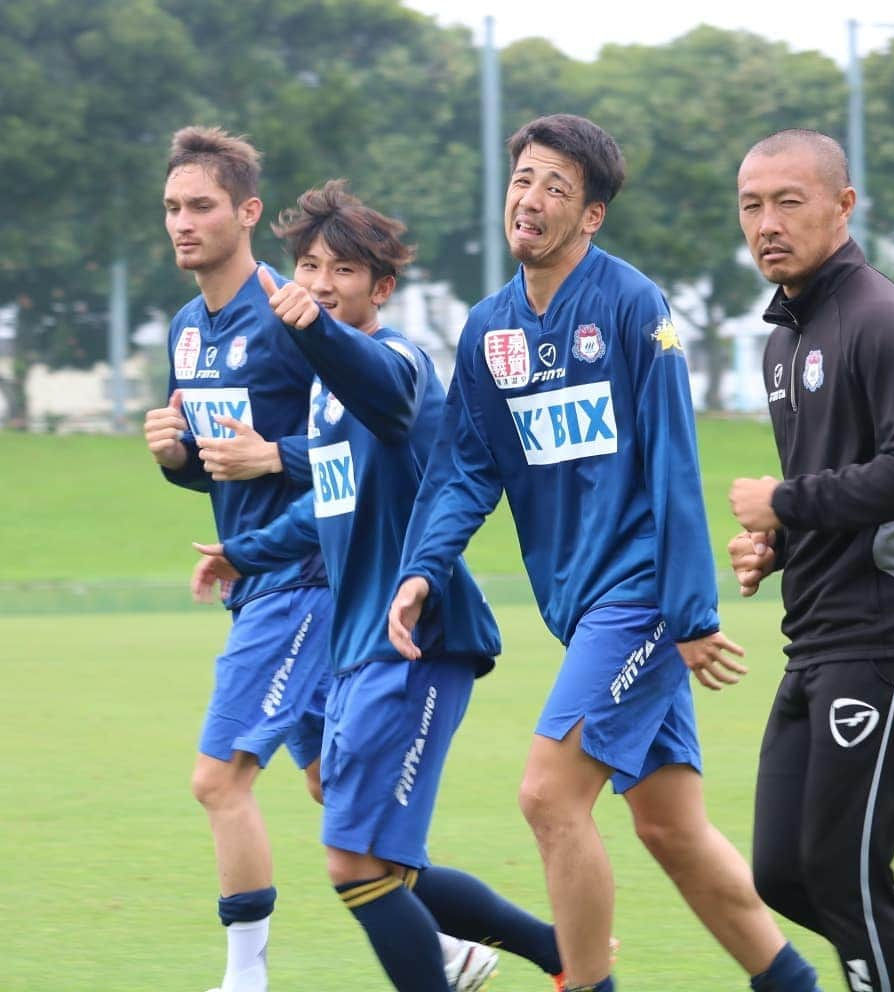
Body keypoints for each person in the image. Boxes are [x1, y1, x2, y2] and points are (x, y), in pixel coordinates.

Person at [388, 113, 821, 992]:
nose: (532, 199)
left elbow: (672, 460)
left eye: (556, 187)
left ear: (591, 216)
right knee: (670, 830)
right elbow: (465, 468)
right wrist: (422, 569)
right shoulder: (488, 332)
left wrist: (690, 613)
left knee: (549, 797)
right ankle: (795, 985)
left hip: (642, 599)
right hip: (582, 607)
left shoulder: (633, 306)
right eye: (523, 181)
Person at [190, 179, 574, 992]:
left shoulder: (396, 362)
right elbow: (328, 516)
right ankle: (566, 955)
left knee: (352, 859)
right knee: (380, 859)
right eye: (307, 266)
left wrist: (314, 330)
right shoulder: (329, 396)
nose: (320, 284)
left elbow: (391, 398)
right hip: (364, 648)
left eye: (341, 271)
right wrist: (243, 551)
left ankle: (564, 958)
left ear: (382, 289)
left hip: (420, 641)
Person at [145, 131, 492, 992]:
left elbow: (354, 444)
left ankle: (245, 977)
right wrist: (181, 462)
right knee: (341, 809)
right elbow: (237, 466)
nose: (183, 224)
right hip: (260, 567)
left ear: (248, 214)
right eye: (172, 208)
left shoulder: (294, 314)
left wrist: (276, 458)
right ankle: (481, 950)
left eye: (202, 206)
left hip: (310, 582)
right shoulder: (189, 331)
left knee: (220, 781)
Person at [728, 128, 894, 992]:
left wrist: (786, 503)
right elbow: (845, 482)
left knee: (844, 879)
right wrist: (777, 540)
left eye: (788, 201)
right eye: (752, 205)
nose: (767, 222)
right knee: (787, 874)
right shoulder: (783, 342)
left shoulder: (876, 315)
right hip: (825, 643)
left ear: (843, 207)